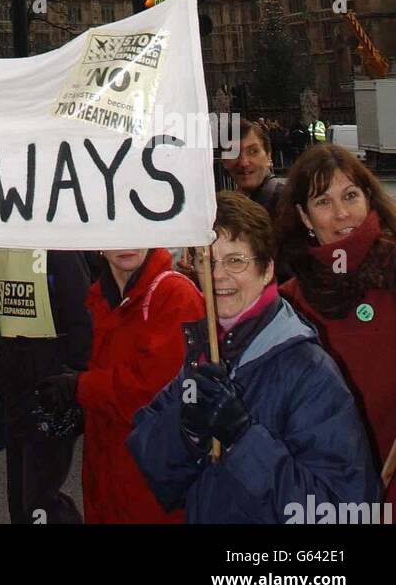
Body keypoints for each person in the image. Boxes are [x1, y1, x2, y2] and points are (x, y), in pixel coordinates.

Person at [128, 192, 379, 523]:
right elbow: (149, 458)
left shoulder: (310, 371)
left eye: (235, 260)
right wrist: (186, 431)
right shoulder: (204, 352)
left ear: (266, 270)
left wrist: (243, 440)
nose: (217, 275)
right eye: (207, 260)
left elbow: (344, 512)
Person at [277, 145, 396, 505]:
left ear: (369, 199)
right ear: (305, 217)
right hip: (332, 496)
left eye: (350, 195)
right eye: (323, 202)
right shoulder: (288, 303)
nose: (342, 213)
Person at [65, 246, 205, 523]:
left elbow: (158, 391)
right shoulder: (100, 297)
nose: (126, 244)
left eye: (135, 231)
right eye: (115, 232)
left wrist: (80, 388)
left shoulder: (175, 294)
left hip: (154, 481)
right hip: (106, 475)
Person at [0, 249, 92, 524]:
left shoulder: (60, 250)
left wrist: (73, 379)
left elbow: (81, 316)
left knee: (40, 499)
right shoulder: (5, 247)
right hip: (15, 385)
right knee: (20, 498)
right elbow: (3, 315)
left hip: (50, 391)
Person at [223, 118, 286, 217]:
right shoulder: (224, 210)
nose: (244, 162)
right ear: (224, 161)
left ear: (269, 156)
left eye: (253, 152)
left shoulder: (287, 205)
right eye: (234, 153)